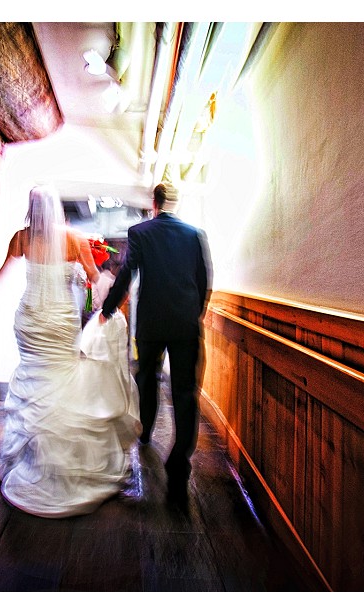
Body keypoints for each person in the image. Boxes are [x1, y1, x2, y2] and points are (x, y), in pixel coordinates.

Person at [0, 185, 141, 518]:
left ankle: (33, 453)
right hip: (58, 320)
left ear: (32, 209)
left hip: (29, 319)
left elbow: (2, 273)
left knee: (34, 379)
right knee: (61, 377)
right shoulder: (73, 238)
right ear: (55, 208)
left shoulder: (20, 237)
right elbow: (93, 280)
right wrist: (104, 304)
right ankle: (61, 456)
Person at [100, 182, 211, 506]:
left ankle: (146, 431)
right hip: (185, 324)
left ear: (154, 203)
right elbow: (204, 278)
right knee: (185, 392)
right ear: (173, 202)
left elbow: (127, 273)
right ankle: (179, 463)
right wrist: (195, 314)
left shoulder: (141, 232)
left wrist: (107, 309)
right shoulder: (194, 235)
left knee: (146, 379)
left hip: (150, 323)